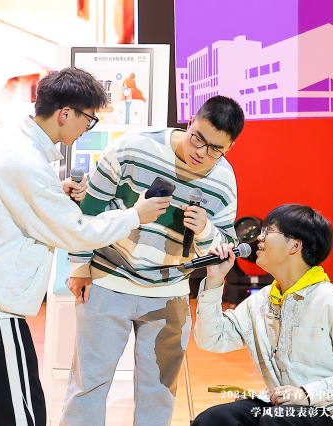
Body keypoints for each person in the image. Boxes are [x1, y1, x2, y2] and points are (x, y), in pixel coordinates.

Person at [0, 67, 172, 426]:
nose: (87, 129)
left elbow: (16, 203)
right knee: (21, 417)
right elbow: (76, 232)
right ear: (65, 114)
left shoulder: (9, 141)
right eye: (89, 119)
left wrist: (53, 194)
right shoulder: (28, 163)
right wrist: (135, 215)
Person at [60, 95, 246, 425]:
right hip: (108, 280)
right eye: (197, 138)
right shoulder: (134, 147)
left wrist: (205, 231)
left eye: (215, 149)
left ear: (230, 147)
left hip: (169, 294)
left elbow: (226, 246)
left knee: (157, 393)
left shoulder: (223, 180)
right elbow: (90, 208)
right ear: (190, 121)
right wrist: (79, 266)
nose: (201, 153)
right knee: (88, 386)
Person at [192, 204, 333, 426]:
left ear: (295, 245)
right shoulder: (260, 302)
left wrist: (307, 393)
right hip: (279, 408)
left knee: (276, 421)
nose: (259, 238)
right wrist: (215, 281)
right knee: (214, 419)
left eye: (268, 231)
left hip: (331, 412)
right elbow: (212, 339)